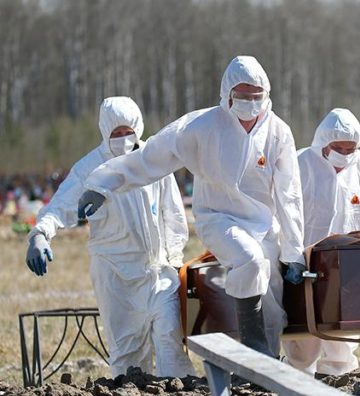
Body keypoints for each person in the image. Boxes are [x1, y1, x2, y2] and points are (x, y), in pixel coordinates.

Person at [77, 56, 305, 358]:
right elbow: (150, 157)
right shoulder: (201, 127)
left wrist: (294, 252)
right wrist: (102, 184)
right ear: (227, 94)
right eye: (242, 96)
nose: (250, 104)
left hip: (264, 224)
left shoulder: (278, 133)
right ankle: (252, 345)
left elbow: (289, 195)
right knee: (249, 261)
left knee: (272, 302)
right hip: (218, 218)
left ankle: (264, 368)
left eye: (256, 96)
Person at [25, 96, 194, 378]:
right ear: (105, 132)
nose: (123, 139)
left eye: (128, 132)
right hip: (115, 278)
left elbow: (173, 214)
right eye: (116, 133)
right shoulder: (89, 168)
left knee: (171, 341)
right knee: (128, 358)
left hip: (158, 272)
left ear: (138, 128)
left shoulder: (153, 160)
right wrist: (40, 234)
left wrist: (175, 260)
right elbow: (60, 206)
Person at [282, 108, 360, 377]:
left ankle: (339, 387)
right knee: (302, 345)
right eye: (337, 148)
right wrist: (289, 257)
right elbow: (273, 210)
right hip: (301, 267)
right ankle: (295, 386)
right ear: (322, 143)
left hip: (347, 269)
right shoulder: (296, 165)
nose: (344, 154)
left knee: (342, 340)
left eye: (350, 149)